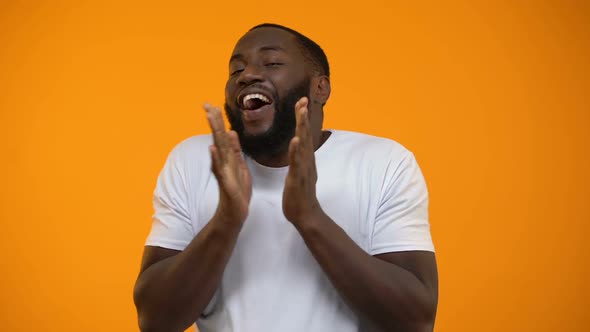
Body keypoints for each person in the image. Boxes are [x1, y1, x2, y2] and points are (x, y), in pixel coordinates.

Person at [133, 23, 438, 332]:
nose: (247, 75)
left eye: (272, 63)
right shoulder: (195, 160)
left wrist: (310, 217)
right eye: (235, 69)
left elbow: (415, 321)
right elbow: (155, 320)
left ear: (320, 88)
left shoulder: (383, 162)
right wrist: (226, 220)